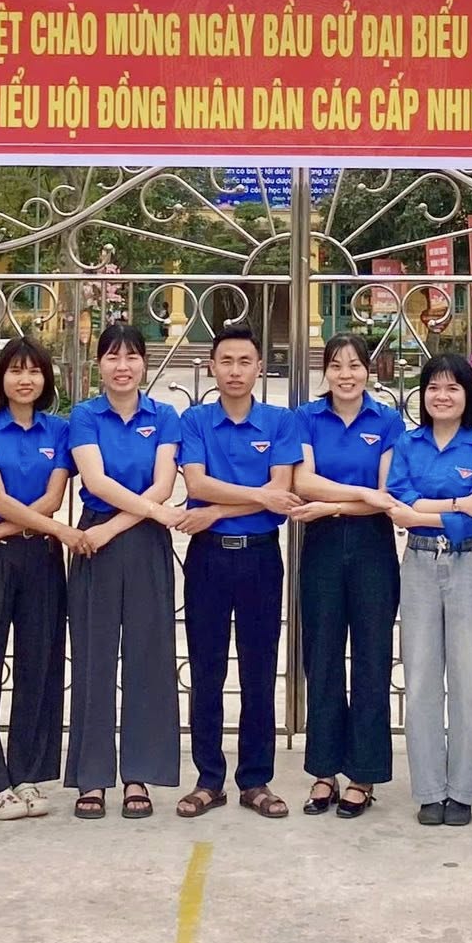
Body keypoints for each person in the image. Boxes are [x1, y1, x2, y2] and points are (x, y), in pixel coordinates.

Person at [176, 321, 304, 821]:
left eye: (244, 361)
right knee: (206, 670)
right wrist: (255, 497)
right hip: (207, 557)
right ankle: (208, 779)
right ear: (212, 366)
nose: (235, 370)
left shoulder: (279, 422)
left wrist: (217, 508)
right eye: (226, 361)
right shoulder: (195, 420)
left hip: (260, 557)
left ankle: (255, 779)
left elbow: (283, 490)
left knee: (258, 670)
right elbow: (197, 484)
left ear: (259, 368)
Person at [0, 334, 81, 822]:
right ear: (0, 378)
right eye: (15, 370)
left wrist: (5, 531)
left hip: (41, 558)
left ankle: (27, 772)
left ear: (46, 379)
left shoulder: (60, 430)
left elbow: (51, 499)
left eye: (34, 371)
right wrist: (54, 531)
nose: (25, 379)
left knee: (40, 664)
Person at [65, 322, 186, 820]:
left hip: (139, 542)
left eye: (132, 356)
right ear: (99, 365)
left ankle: (139, 774)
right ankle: (91, 778)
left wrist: (117, 527)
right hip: (95, 540)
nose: (123, 366)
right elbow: (95, 480)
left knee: (147, 657)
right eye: (112, 357)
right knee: (93, 658)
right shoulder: (84, 415)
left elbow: (163, 484)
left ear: (144, 363)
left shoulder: (165, 416)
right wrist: (149, 514)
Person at [292, 334, 404, 818]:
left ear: (368, 371)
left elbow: (387, 495)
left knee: (372, 657)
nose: (346, 374)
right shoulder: (306, 418)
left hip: (372, 547)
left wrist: (332, 504)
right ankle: (323, 771)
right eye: (336, 365)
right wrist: (357, 496)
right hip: (320, 547)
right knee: (322, 656)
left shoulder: (387, 421)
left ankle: (364, 773)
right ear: (325, 372)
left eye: (355, 365)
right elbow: (302, 481)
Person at [386, 352, 472, 827]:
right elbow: (399, 506)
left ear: (468, 395)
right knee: (422, 678)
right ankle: (429, 790)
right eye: (433, 387)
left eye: (452, 387)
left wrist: (428, 511)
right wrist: (456, 504)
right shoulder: (408, 444)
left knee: (470, 678)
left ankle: (464, 791)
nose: (442, 396)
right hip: (419, 564)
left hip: (471, 563)